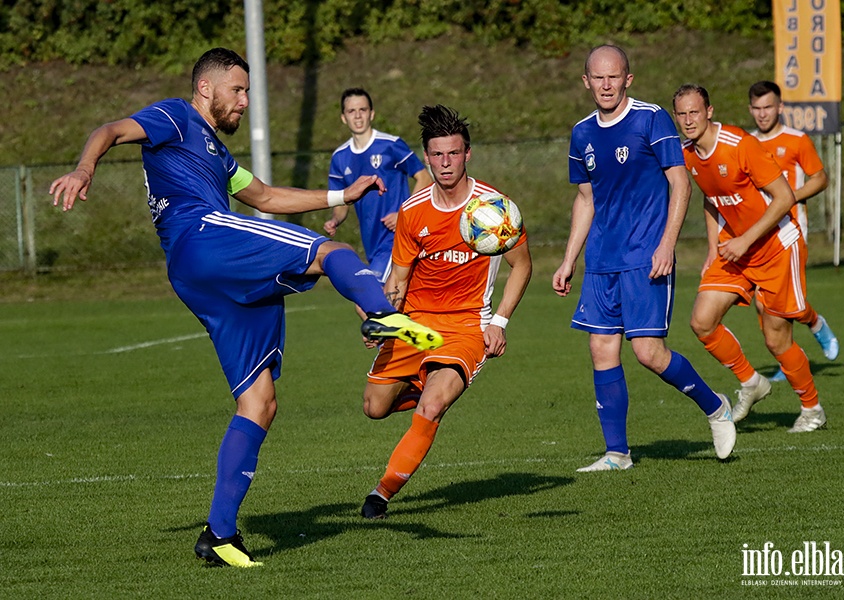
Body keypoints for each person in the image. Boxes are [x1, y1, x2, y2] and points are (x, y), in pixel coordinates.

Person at [48, 48, 443, 567]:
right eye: (238, 90)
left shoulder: (216, 152)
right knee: (331, 252)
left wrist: (341, 194)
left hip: (205, 275)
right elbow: (111, 130)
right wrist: (84, 168)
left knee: (259, 402)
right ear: (207, 88)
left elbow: (266, 196)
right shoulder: (175, 115)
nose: (246, 101)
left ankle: (219, 535)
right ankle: (381, 312)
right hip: (203, 236)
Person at [552, 45, 735, 473]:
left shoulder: (651, 118)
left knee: (649, 353)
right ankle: (617, 454)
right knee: (601, 348)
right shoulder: (581, 133)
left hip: (645, 256)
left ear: (628, 79)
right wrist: (568, 260)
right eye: (598, 78)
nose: (606, 85)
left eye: (614, 76)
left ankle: (716, 408)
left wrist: (667, 244)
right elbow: (585, 200)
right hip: (601, 260)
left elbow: (681, 185)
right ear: (586, 82)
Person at [358, 104, 532, 519]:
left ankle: (380, 495)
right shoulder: (413, 210)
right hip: (416, 325)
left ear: (467, 153)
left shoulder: (495, 209)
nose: (445, 163)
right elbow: (397, 280)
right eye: (437, 155)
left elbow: (522, 264)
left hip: (467, 325)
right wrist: (382, 319)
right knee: (374, 407)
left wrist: (500, 322)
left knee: (432, 406)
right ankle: (427, 383)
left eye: (453, 153)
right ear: (427, 156)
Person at [672, 83, 826, 432]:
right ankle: (752, 382)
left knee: (775, 339)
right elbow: (711, 198)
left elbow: (785, 198)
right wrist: (714, 248)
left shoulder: (740, 145)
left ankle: (812, 408)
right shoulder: (688, 153)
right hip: (735, 249)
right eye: (681, 114)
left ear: (709, 111)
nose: (688, 120)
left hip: (775, 248)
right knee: (702, 321)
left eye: (694, 112)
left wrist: (745, 239)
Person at [748, 80, 839, 382]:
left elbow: (820, 178)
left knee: (780, 303)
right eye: (757, 108)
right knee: (763, 305)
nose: (762, 114)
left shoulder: (797, 140)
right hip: (757, 234)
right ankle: (790, 355)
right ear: (750, 110)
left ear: (780, 107)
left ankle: (814, 325)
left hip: (790, 231)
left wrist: (788, 199)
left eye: (768, 107)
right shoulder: (746, 143)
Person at [324, 88, 432, 282]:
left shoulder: (390, 145)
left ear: (371, 114)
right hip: (372, 243)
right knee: (391, 304)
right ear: (343, 117)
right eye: (351, 111)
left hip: (396, 239)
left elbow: (424, 178)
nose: (357, 116)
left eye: (362, 110)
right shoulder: (340, 157)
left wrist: (404, 215)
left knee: (369, 301)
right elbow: (341, 200)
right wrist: (335, 221)